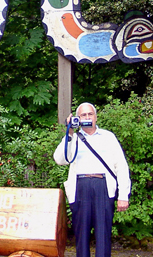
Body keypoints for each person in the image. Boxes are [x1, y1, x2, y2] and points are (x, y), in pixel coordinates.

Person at [53, 102, 130, 257]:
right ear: (78, 118)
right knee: (81, 235)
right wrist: (69, 133)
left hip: (103, 185)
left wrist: (123, 195)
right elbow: (60, 159)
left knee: (103, 234)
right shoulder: (73, 138)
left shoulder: (108, 137)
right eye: (83, 115)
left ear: (96, 117)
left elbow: (121, 166)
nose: (87, 117)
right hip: (80, 187)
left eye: (90, 114)